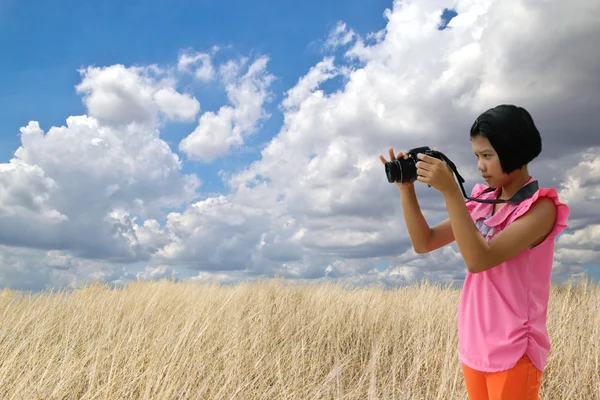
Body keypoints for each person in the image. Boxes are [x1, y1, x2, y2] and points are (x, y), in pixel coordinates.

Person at [379, 104, 570, 400]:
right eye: (477, 156)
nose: (480, 166)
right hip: (475, 344)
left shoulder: (541, 209)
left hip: (515, 348)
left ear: (515, 150)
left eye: (487, 155)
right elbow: (424, 242)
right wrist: (407, 189)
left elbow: (480, 260)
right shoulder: (482, 201)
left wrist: (451, 191)